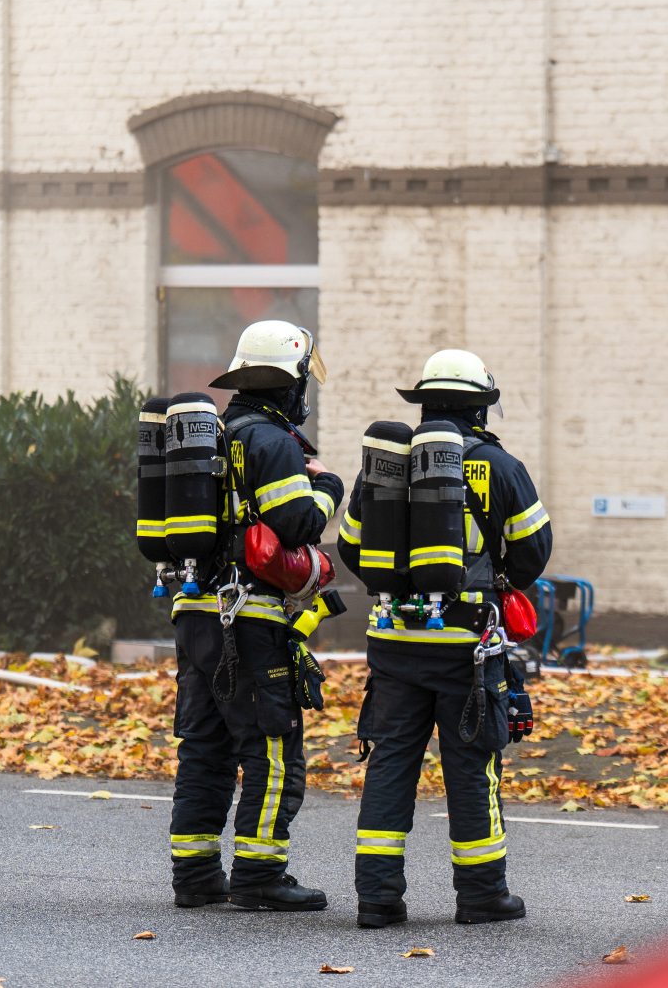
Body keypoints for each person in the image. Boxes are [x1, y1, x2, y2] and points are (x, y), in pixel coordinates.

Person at [337, 349, 552, 928]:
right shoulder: (499, 467)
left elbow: (353, 547)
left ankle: (377, 899)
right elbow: (534, 550)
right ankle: (482, 896)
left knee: (390, 765)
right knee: (471, 767)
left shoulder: (385, 466)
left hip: (393, 644)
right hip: (466, 646)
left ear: (426, 403)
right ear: (480, 408)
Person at [169, 320, 344, 910]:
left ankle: (193, 876)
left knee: (204, 745)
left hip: (194, 611)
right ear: (290, 383)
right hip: (247, 619)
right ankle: (259, 875)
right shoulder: (272, 442)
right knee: (270, 745)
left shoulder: (211, 436)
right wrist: (329, 490)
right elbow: (296, 524)